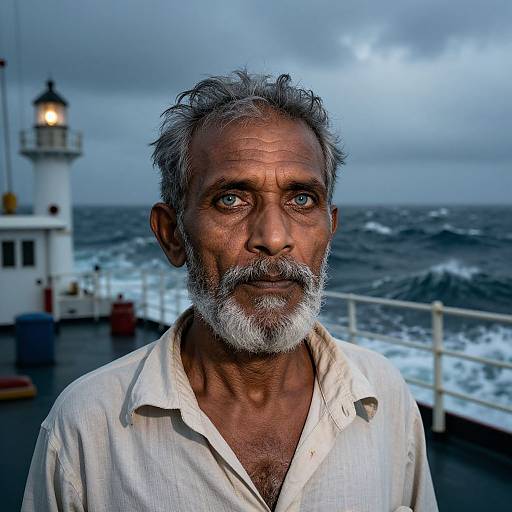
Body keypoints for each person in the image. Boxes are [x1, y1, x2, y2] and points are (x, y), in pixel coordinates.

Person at [22, 70, 438, 512]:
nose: (274, 237)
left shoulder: (384, 396)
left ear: (329, 229)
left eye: (301, 199)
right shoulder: (87, 429)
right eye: (231, 199)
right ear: (172, 235)